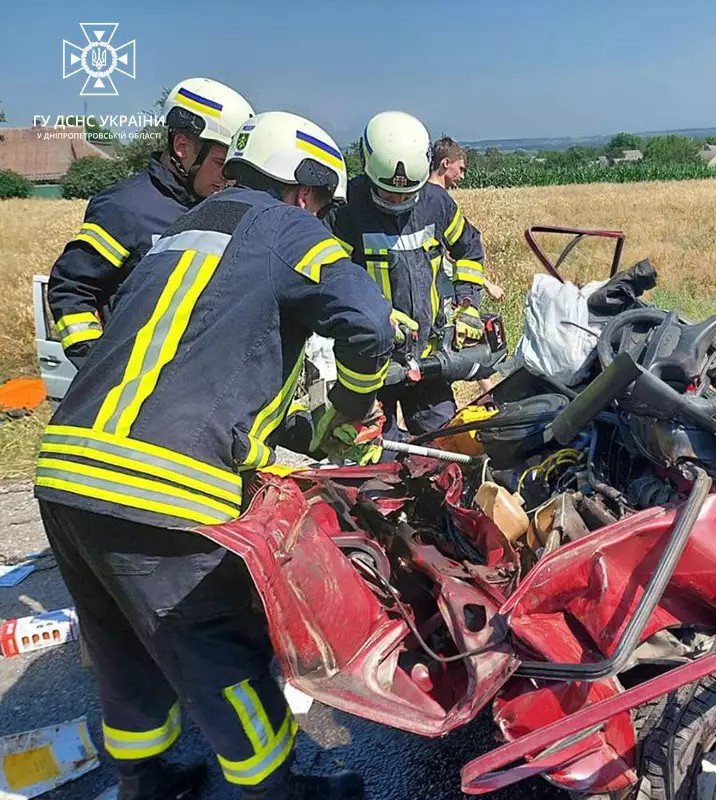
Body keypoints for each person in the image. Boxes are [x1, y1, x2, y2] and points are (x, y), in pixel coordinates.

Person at [34, 111, 393, 800]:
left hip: (64, 475)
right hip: (157, 495)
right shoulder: (286, 229)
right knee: (221, 648)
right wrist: (352, 408)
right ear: (305, 191)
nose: (320, 215)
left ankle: (148, 782)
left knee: (123, 650)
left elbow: (201, 358)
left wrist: (280, 419)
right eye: (322, 204)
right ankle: (275, 791)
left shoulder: (181, 233)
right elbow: (369, 325)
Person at [47, 78, 254, 367]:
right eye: (221, 163)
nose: (228, 178)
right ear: (182, 146)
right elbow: (72, 288)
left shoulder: (223, 210)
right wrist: (97, 369)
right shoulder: (124, 208)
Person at [328, 112, 487, 435]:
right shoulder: (346, 210)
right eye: (389, 194)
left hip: (428, 359)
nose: (399, 201)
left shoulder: (436, 203)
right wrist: (375, 317)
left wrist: (468, 304)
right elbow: (331, 279)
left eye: (407, 194)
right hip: (373, 366)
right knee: (375, 458)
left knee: (444, 447)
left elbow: (468, 248)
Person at [428, 137, 504, 303]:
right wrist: (487, 286)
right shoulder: (442, 204)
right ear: (446, 163)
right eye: (460, 169)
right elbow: (461, 252)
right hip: (440, 289)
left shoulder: (418, 197)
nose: (462, 176)